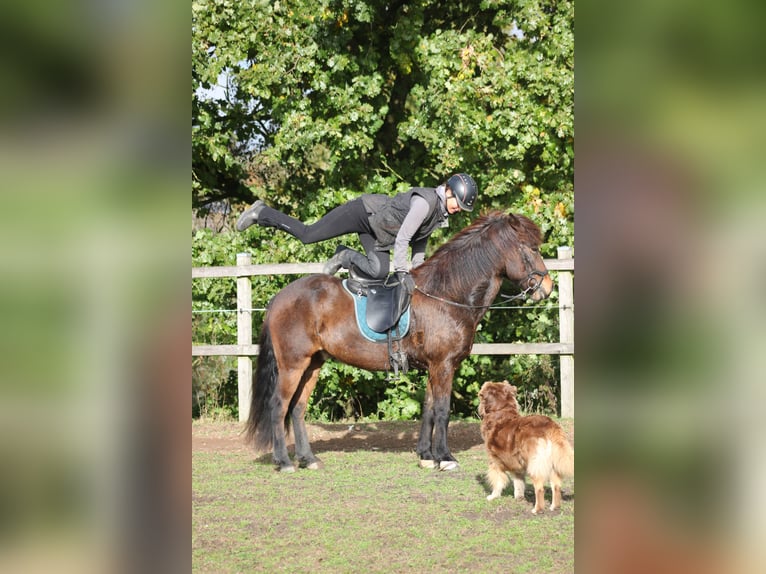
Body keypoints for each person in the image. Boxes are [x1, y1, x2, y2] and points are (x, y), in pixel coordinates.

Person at [236, 173, 478, 292]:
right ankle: (262, 212)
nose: (458, 209)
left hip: (379, 232)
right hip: (362, 213)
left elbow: (419, 245)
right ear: (448, 191)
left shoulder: (439, 214)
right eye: (458, 202)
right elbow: (404, 237)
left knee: (379, 271)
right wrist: (403, 272)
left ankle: (344, 256)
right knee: (308, 235)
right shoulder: (425, 203)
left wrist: (417, 275)